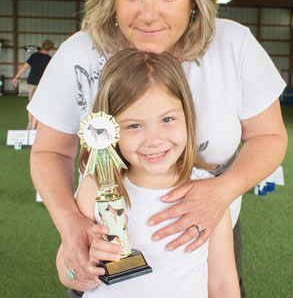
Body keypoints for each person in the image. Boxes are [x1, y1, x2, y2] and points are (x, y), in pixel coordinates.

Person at [28, 0, 287, 297]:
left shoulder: (233, 44)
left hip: (206, 236)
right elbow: (51, 153)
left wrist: (219, 193)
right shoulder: (79, 53)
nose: (148, 14)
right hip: (106, 241)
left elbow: (269, 137)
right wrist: (71, 225)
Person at [56, 49, 241, 298]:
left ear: (187, 116)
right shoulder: (95, 186)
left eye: (167, 119)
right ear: (110, 129)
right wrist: (83, 270)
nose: (154, 139)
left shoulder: (209, 194)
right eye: (134, 125)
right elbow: (67, 272)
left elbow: (223, 284)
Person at [12, 39, 54, 130]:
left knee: (31, 103)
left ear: (42, 46)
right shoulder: (49, 59)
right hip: (42, 84)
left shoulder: (34, 56)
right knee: (39, 105)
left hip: (31, 82)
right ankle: (35, 125)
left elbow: (24, 67)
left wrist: (16, 77)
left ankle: (30, 124)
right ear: (50, 49)